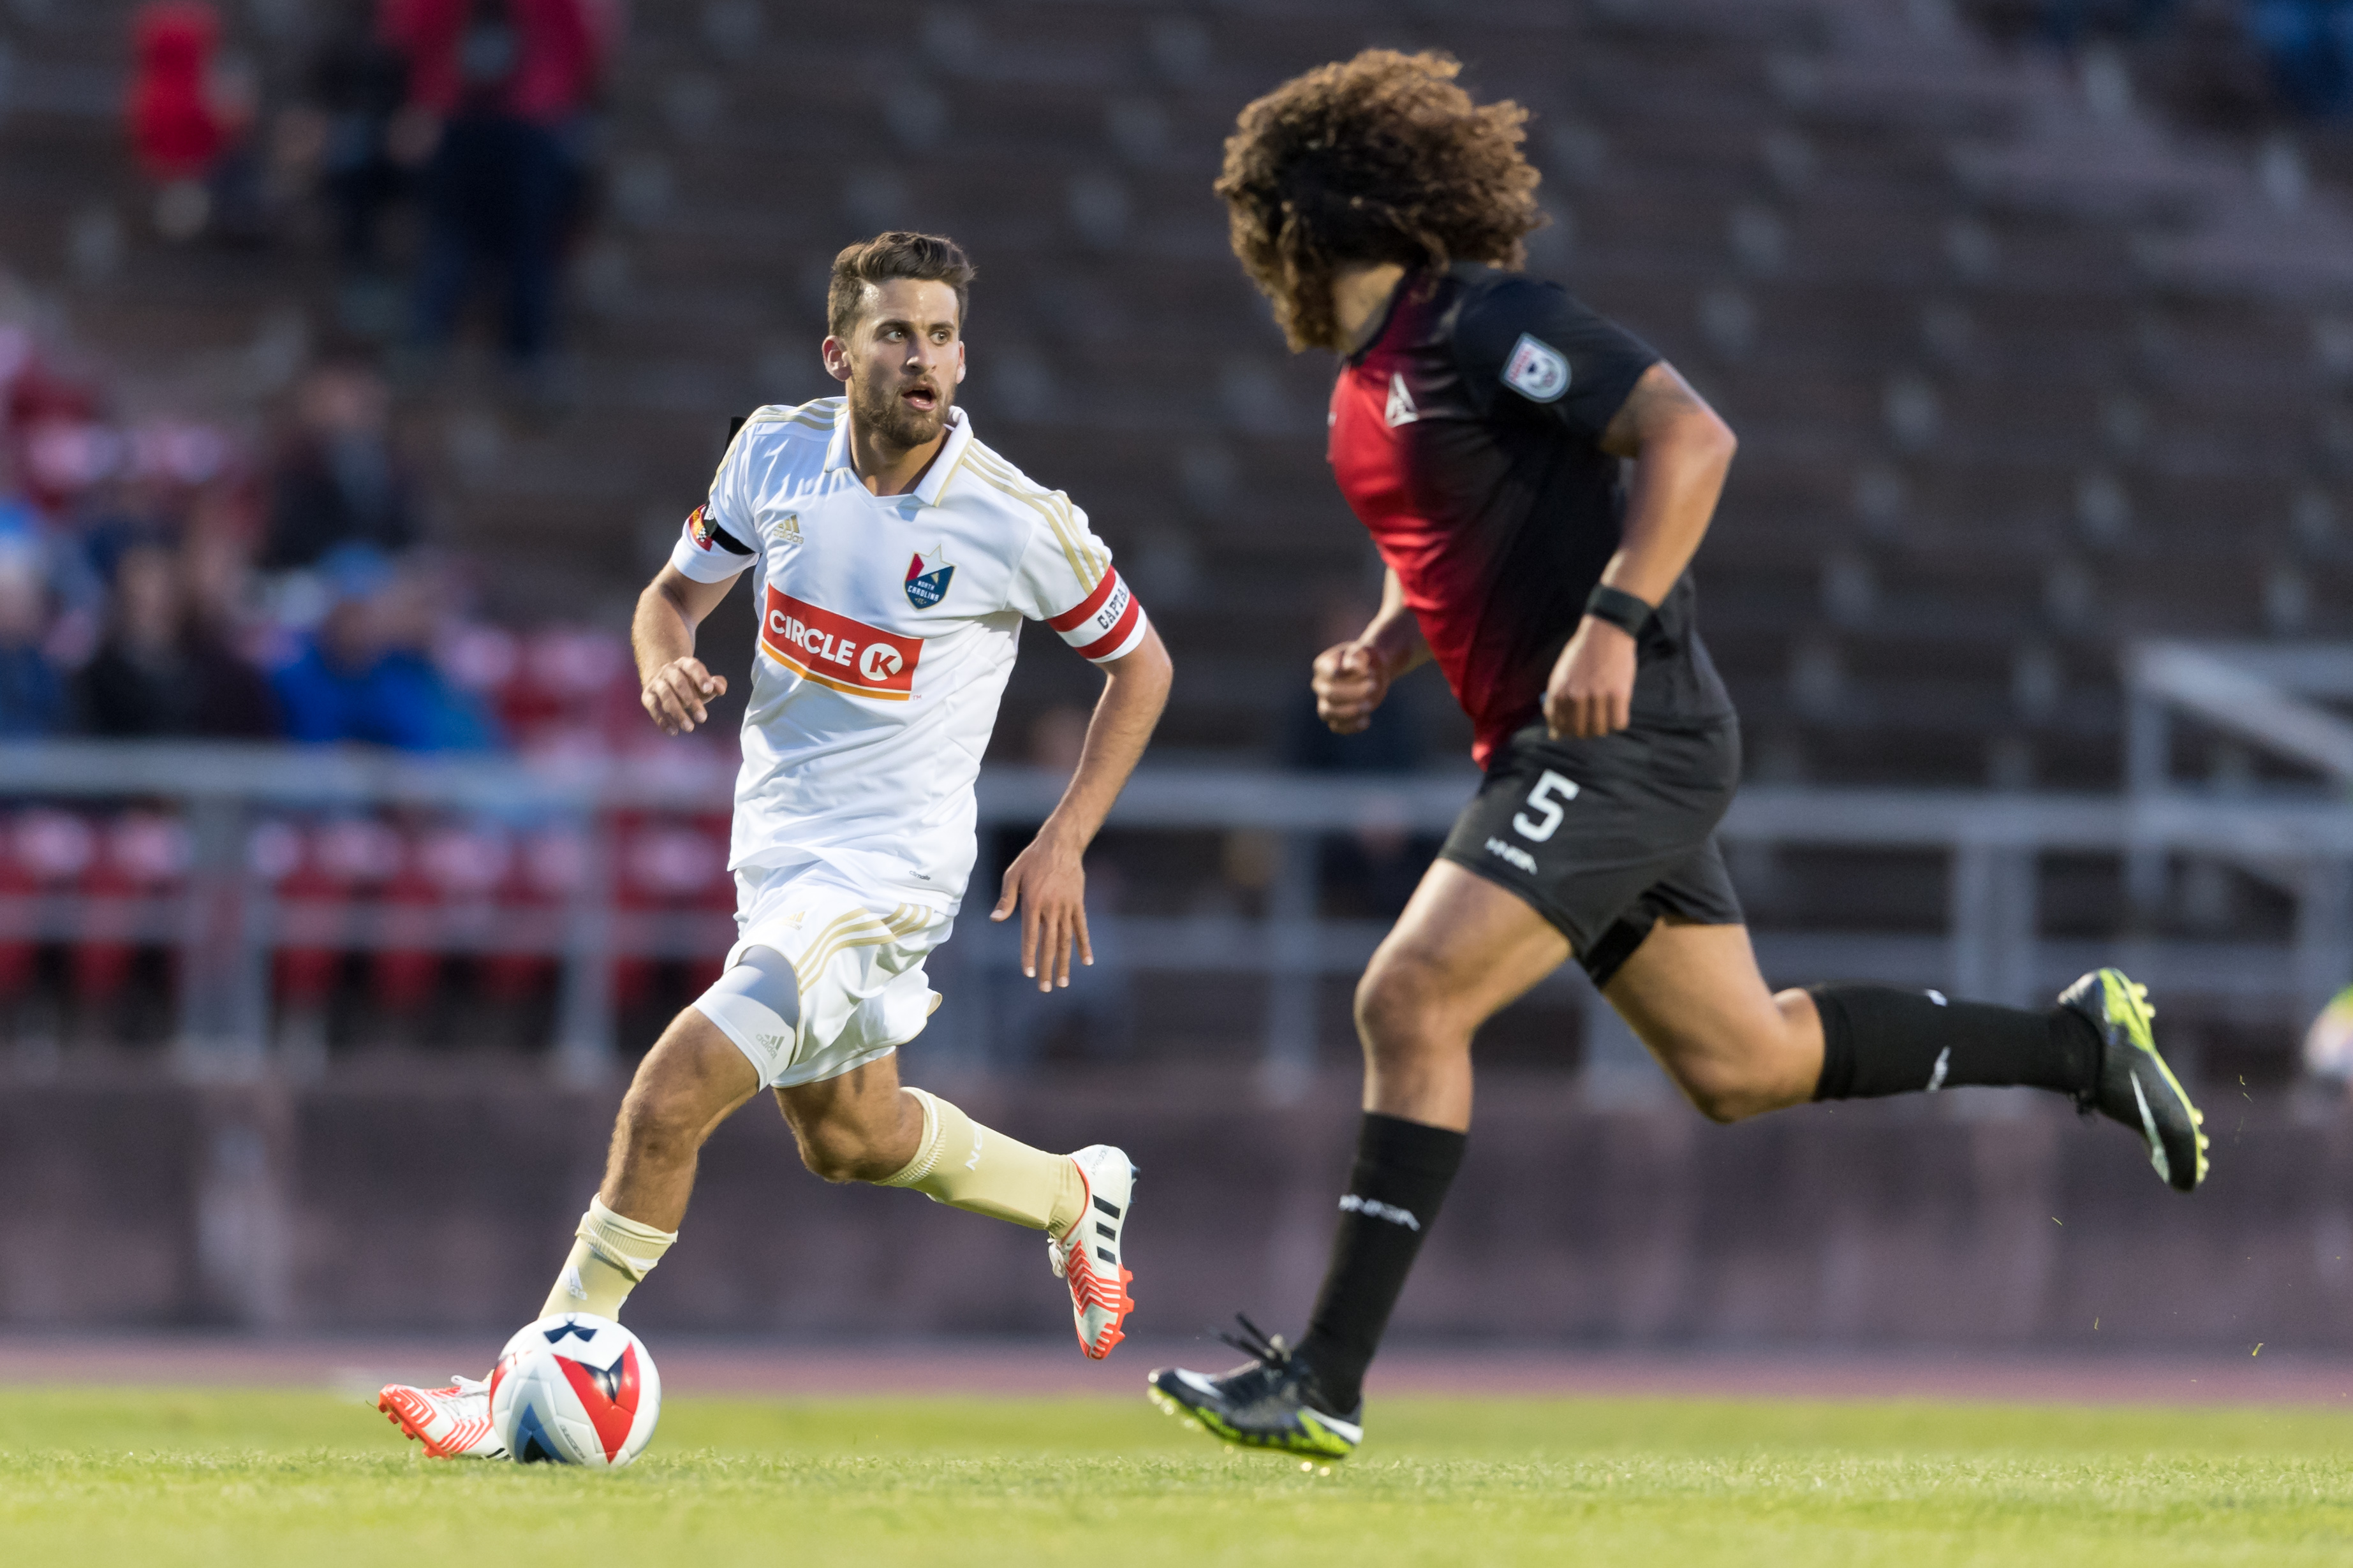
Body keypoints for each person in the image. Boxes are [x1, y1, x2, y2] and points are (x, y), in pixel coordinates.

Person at [1147, 51, 2208, 1461]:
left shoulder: (1482, 320)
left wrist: (1608, 620)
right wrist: (1385, 646)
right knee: (1740, 1060)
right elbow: (1456, 552)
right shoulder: (1358, 392)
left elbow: (1687, 436)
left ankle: (1323, 1374)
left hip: (1618, 733)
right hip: (1557, 743)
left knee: (1405, 996)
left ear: (1300, 220)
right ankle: (2079, 1044)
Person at [377, 232, 1173, 1458]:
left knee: (667, 1092)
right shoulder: (773, 451)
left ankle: (527, 1370)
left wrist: (1066, 834)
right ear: (839, 349)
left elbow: (1140, 660)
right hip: (780, 859)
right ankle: (1072, 1191)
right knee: (849, 1134)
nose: (924, 359)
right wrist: (660, 660)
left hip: (885, 877)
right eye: (897, 332)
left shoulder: (1014, 518)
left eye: (943, 335)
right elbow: (669, 594)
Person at [383, 0, 614, 370]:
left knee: (500, 238)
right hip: (487, 114)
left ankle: (514, 349)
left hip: (519, 115)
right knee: (464, 235)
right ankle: (450, 344)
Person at [77, 537, 277, 738]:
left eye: (161, 604)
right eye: (139, 604)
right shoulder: (95, 683)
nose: (152, 617)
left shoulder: (227, 681)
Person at [261, 361, 422, 570]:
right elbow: (290, 540)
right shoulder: (295, 464)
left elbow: (407, 532)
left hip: (390, 576)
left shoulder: (393, 463)